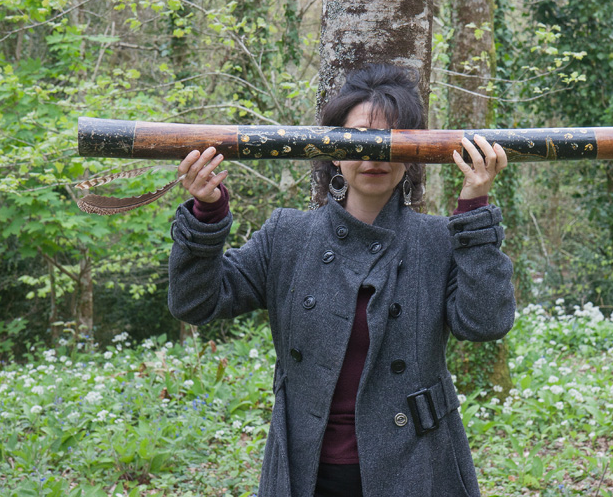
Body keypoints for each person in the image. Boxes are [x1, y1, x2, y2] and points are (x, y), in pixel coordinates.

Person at [168, 63, 516, 497]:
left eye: (390, 142)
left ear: (414, 154)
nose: (373, 157)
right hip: (304, 472)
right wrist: (207, 214)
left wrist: (475, 213)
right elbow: (195, 304)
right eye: (358, 140)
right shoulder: (288, 236)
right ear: (333, 150)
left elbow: (485, 323)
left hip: (418, 467)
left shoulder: (437, 241)